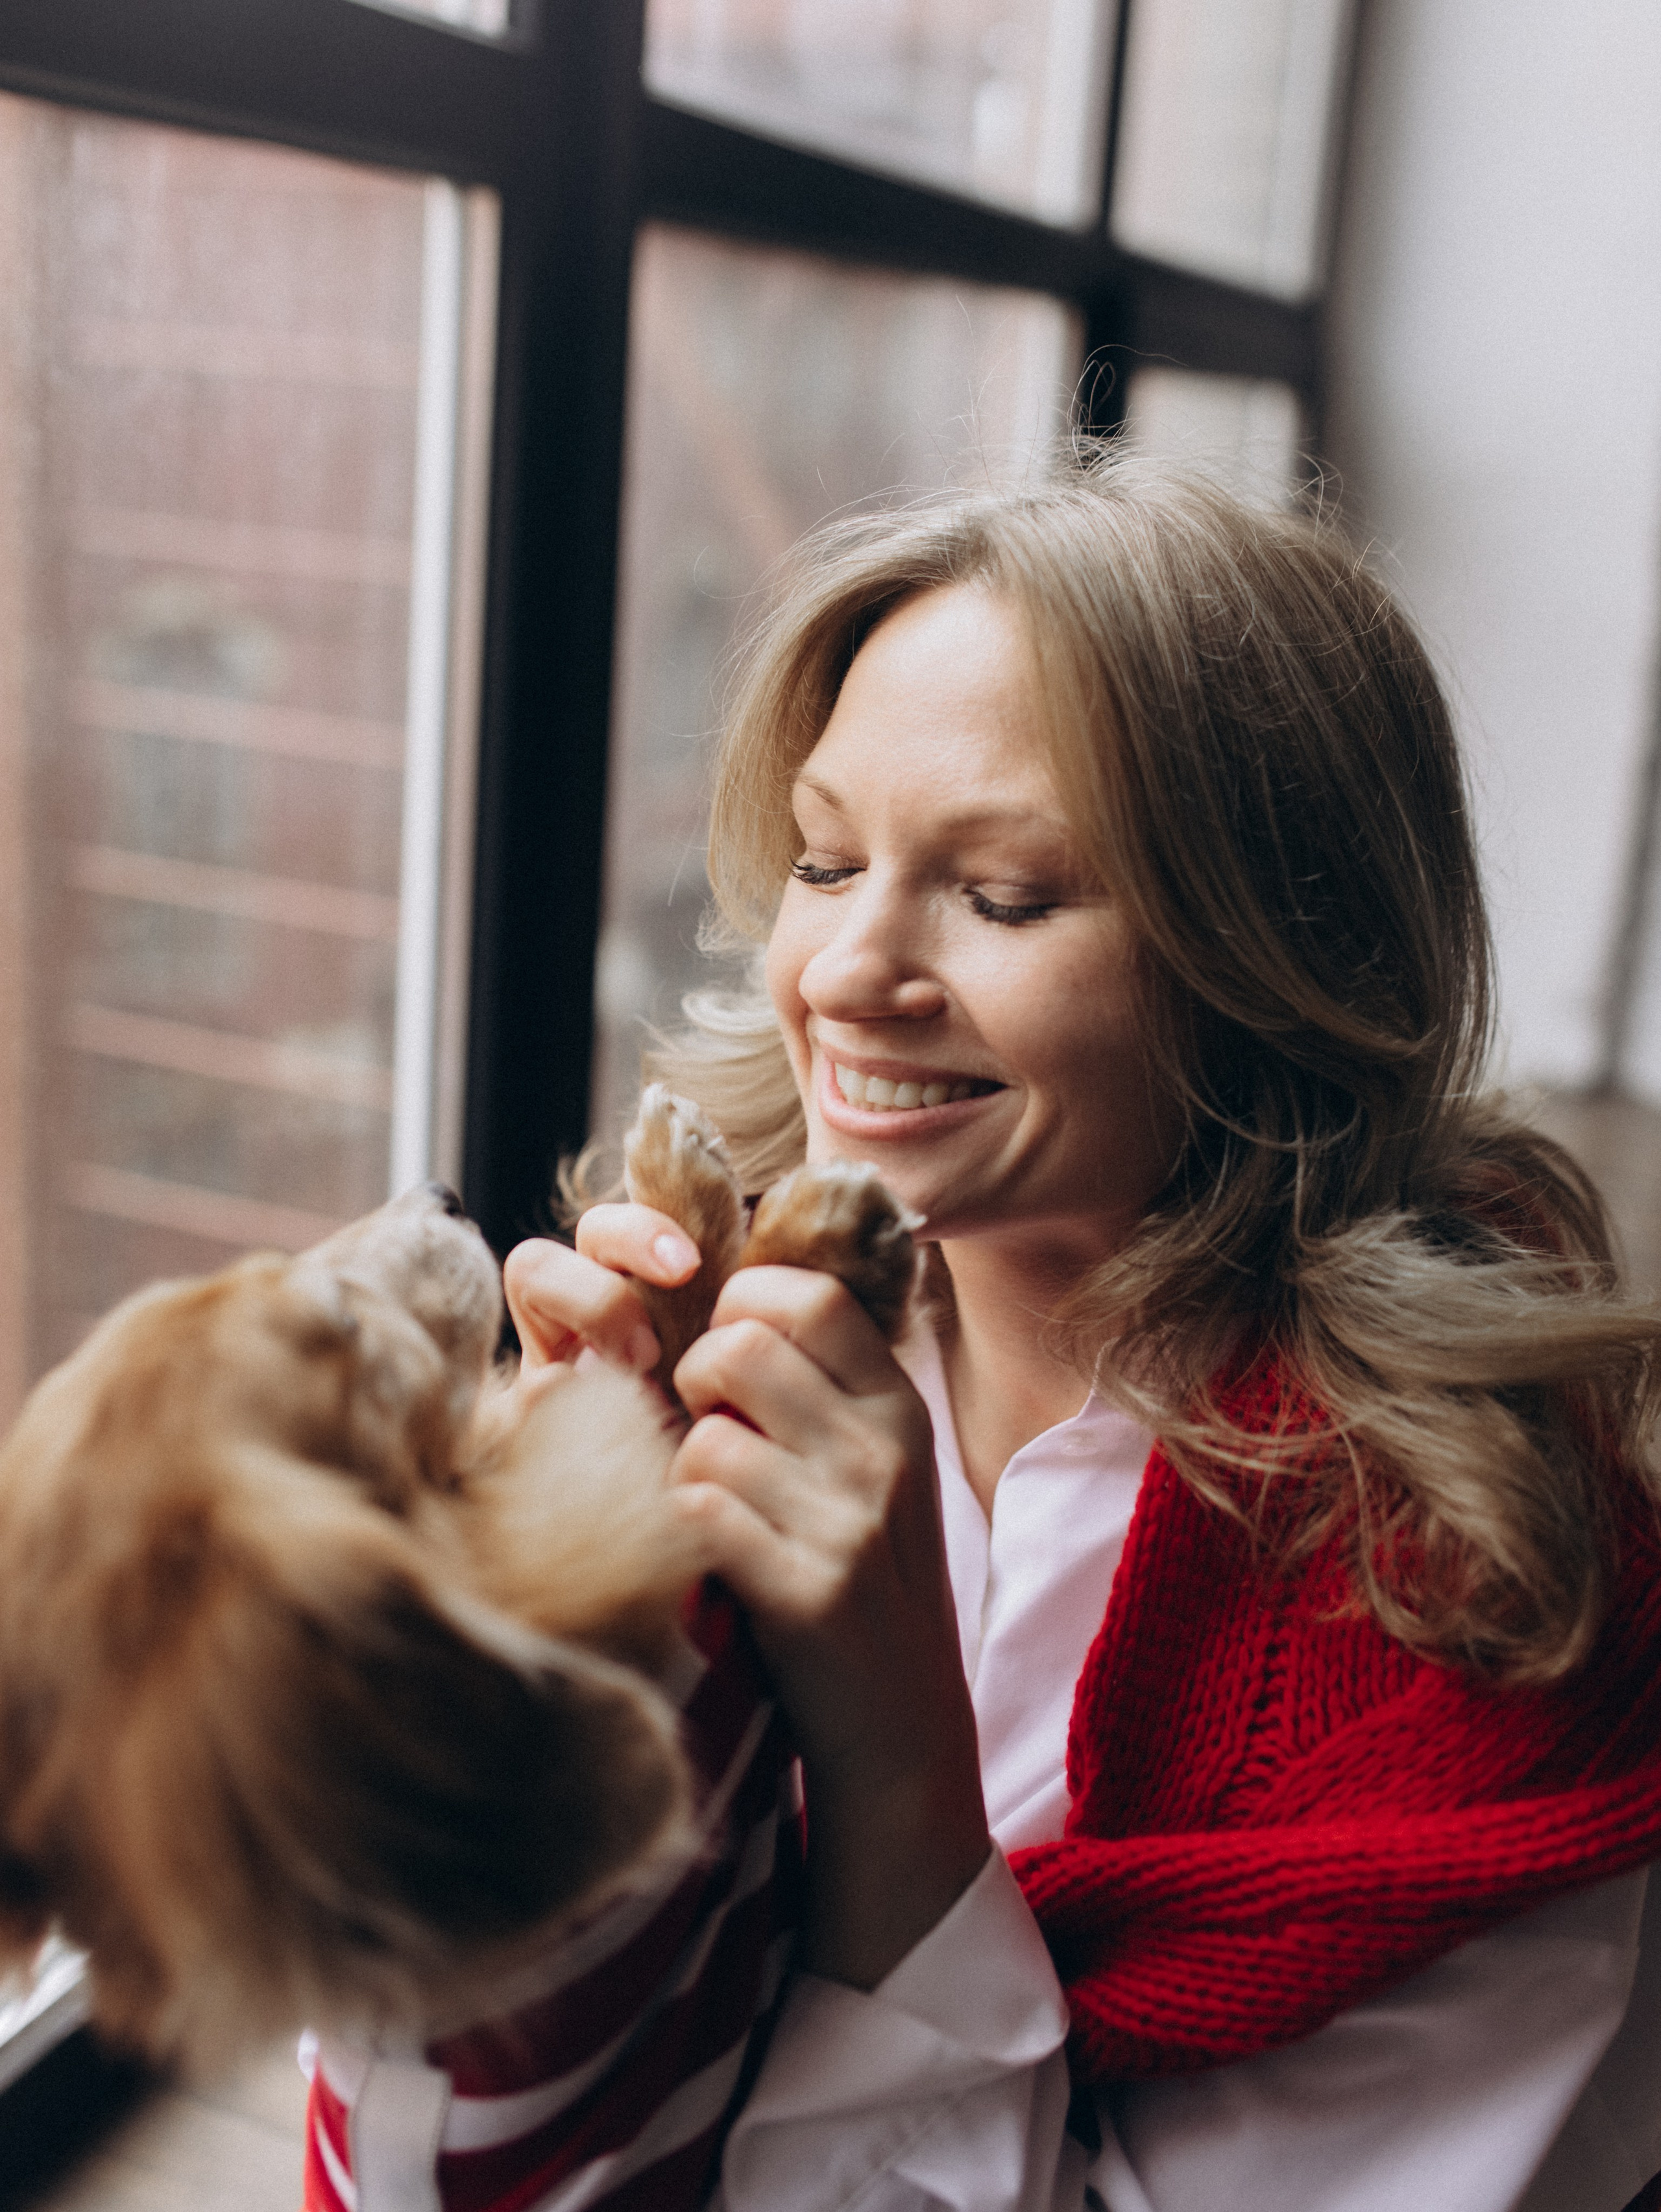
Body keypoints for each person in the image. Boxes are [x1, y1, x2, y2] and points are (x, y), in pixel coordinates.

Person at [506, 455, 1661, 2212]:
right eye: (826, 858)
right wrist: (537, 1587)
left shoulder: (1488, 1622)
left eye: (1005, 895)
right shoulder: (732, 1308)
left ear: (1276, 952)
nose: (841, 969)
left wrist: (897, 1765)